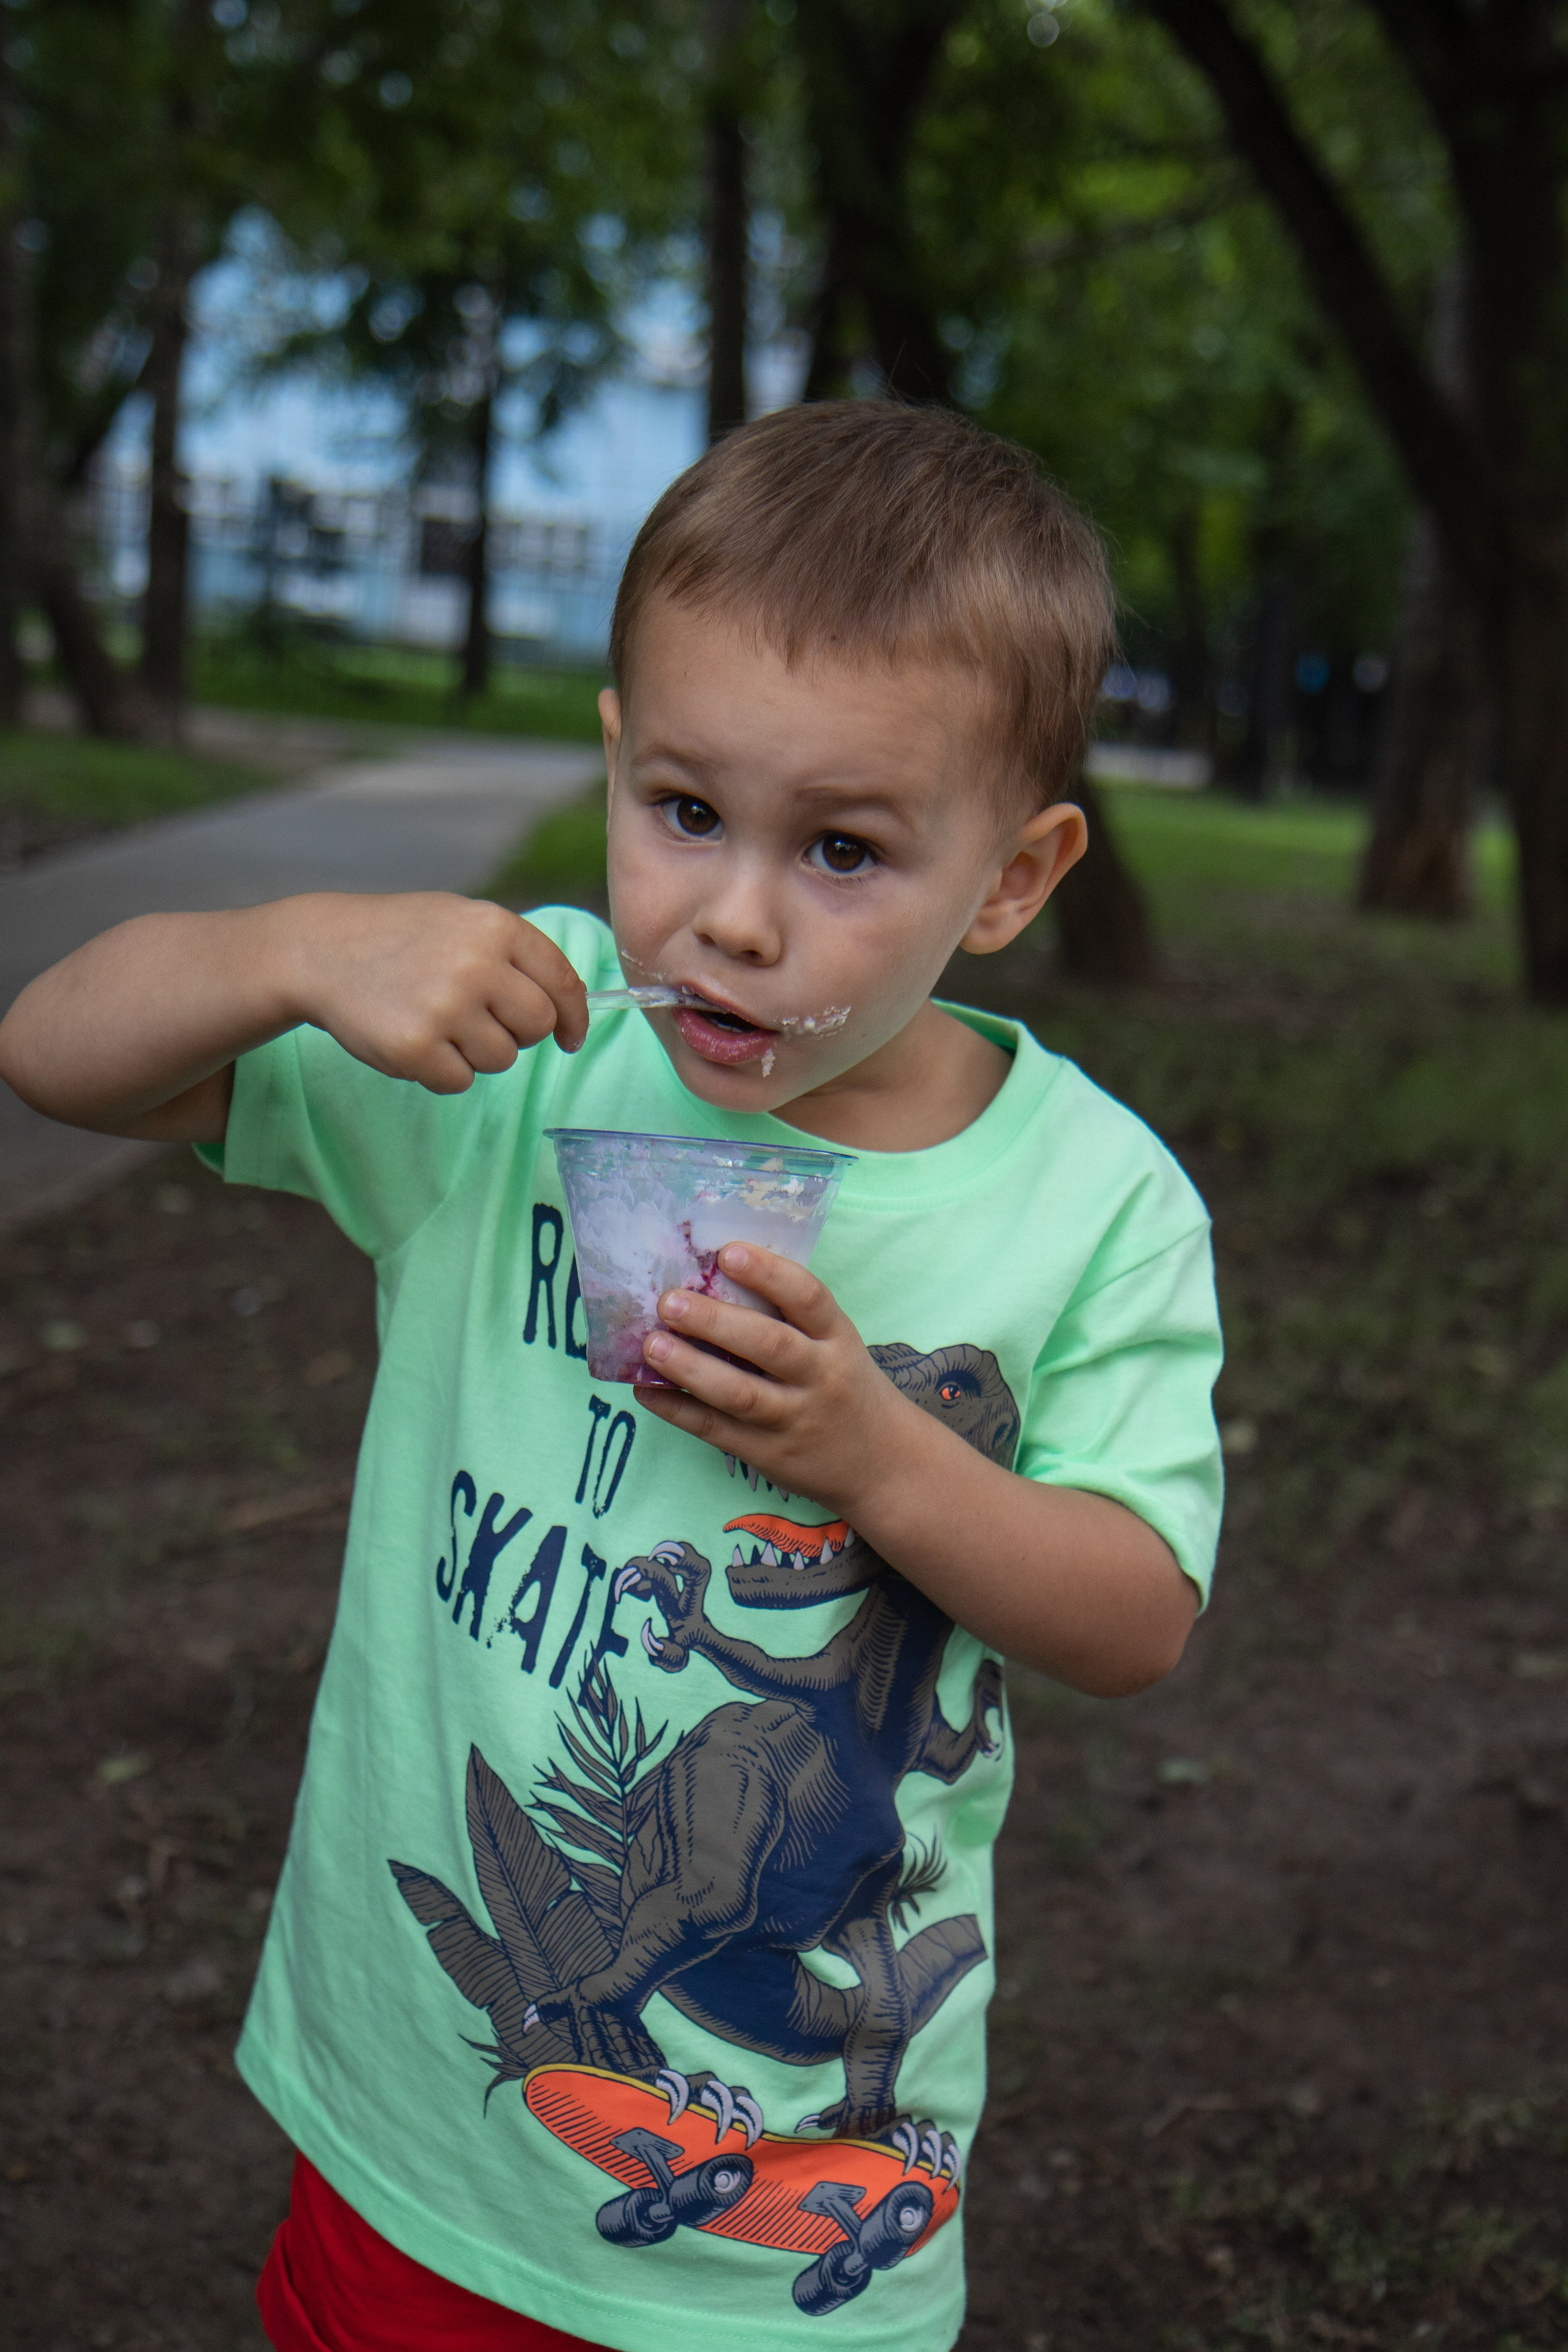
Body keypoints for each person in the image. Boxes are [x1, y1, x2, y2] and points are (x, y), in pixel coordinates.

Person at [0, 401, 1222, 2352]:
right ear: (611, 765)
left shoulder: (1088, 1208)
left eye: (842, 848)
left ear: (1013, 873)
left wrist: (872, 1454)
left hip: (779, 2238)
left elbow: (1139, 1615)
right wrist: (297, 947)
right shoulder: (528, 1051)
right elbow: (54, 1053)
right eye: (682, 812)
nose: (734, 915)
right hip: (417, 2126)